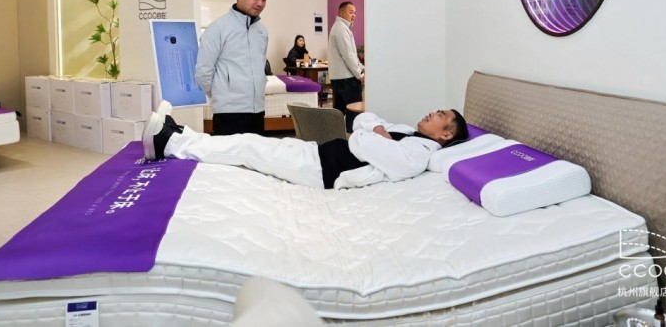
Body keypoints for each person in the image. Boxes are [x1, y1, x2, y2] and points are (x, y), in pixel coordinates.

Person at [142, 101, 469, 190]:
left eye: (441, 115)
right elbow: (362, 120)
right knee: (250, 143)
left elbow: (359, 139)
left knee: (248, 148)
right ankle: (181, 135)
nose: (432, 113)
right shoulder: (408, 133)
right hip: (319, 154)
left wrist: (373, 134)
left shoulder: (418, 155)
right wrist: (378, 130)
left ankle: (169, 142)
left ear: (444, 135)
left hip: (323, 171)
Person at [195, 0, 270, 136]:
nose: (260, 3)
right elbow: (203, 72)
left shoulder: (262, 32)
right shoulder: (217, 29)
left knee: (256, 153)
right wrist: (222, 94)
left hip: (258, 111)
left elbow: (260, 68)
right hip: (228, 114)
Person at [328, 1, 364, 132]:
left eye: (355, 13)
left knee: (340, 113)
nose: (354, 15)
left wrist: (362, 68)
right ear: (342, 13)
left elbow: (351, 55)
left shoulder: (340, 27)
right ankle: (352, 139)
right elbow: (348, 56)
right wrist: (359, 74)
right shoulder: (341, 29)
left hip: (339, 78)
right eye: (351, 12)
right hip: (347, 79)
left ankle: (340, 138)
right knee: (354, 113)